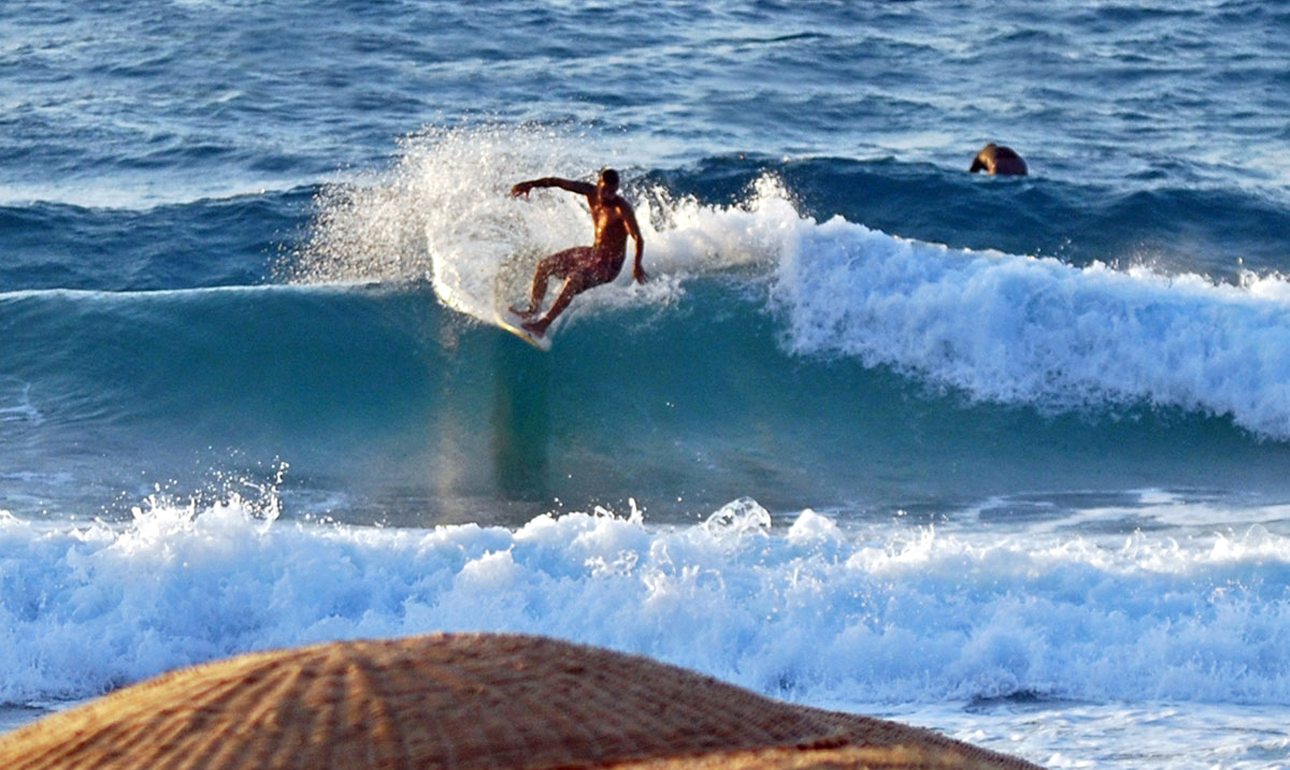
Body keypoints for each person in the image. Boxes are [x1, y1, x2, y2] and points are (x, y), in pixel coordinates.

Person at [508, 168, 646, 337]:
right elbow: (557, 182)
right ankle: (532, 311)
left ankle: (542, 325)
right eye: (605, 190)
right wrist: (530, 184)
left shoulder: (621, 209)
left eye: (613, 191)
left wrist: (637, 265)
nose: (609, 195)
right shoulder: (589, 192)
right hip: (593, 253)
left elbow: (638, 238)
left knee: (574, 279)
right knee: (545, 265)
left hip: (610, 265)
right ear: (598, 184)